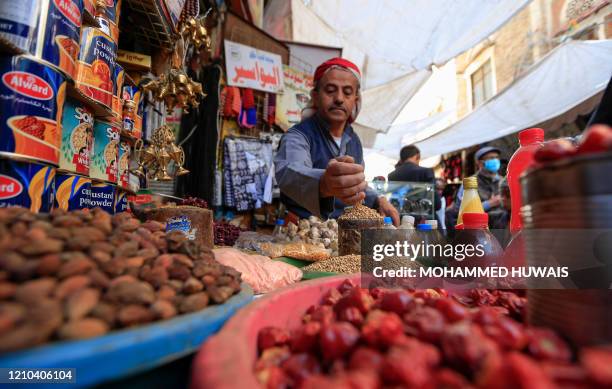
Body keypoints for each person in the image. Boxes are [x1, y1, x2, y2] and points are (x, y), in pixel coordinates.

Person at [275, 58, 399, 225]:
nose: (339, 98)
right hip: (302, 234)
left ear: (356, 99)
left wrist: (379, 200)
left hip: (343, 233)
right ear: (315, 96)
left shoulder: (353, 140)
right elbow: (289, 172)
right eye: (331, 90)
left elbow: (357, 184)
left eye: (347, 92)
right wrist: (323, 183)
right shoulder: (298, 135)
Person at [388, 145, 441, 222]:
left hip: (400, 220)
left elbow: (394, 201)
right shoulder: (426, 172)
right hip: (423, 221)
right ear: (417, 156)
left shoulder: (392, 175)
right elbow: (436, 204)